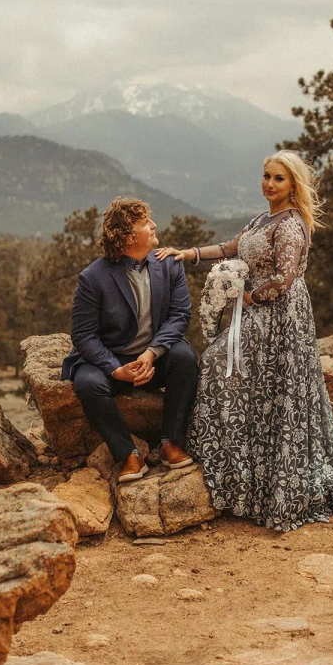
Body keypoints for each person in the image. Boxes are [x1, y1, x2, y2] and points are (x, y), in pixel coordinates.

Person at [156, 150, 333, 532]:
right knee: (225, 365)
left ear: (293, 184)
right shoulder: (263, 219)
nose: (269, 184)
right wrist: (190, 253)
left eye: (278, 178)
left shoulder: (291, 225)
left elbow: (285, 278)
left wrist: (248, 297)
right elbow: (232, 248)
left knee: (218, 364)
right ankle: (237, 461)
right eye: (266, 176)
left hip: (279, 316)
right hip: (256, 311)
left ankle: (253, 467)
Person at [62, 197, 198, 483]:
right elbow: (83, 335)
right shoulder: (92, 277)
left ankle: (171, 443)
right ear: (126, 235)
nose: (153, 225)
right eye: (146, 222)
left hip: (154, 357)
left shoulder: (170, 265)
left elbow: (179, 315)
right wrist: (115, 368)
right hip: (111, 360)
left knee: (185, 358)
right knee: (87, 383)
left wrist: (152, 353)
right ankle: (127, 454)